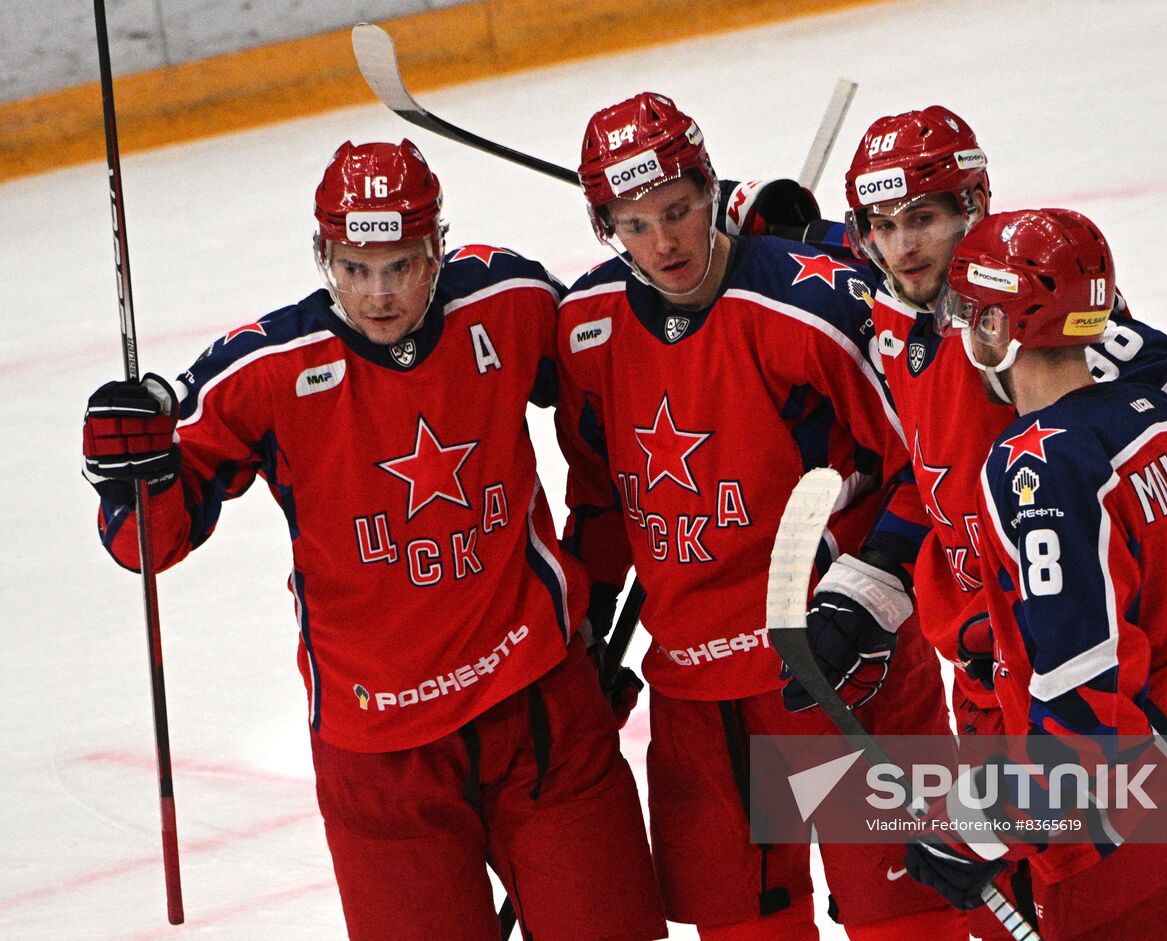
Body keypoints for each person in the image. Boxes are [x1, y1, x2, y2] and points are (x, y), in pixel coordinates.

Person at [80, 139, 666, 941]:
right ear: (325, 255)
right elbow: (148, 541)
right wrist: (129, 472)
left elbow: (629, 359)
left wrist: (736, 243)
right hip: (381, 754)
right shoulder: (268, 368)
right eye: (355, 267)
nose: (379, 292)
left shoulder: (506, 299)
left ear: (438, 248)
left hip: (540, 707)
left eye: (402, 264)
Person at [838, 105, 1167, 939]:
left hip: (1069, 692)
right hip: (996, 685)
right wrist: (756, 209)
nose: (905, 247)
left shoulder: (1026, 314)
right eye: (884, 226)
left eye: (926, 220)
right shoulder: (896, 297)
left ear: (972, 210)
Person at [554, 92, 962, 941]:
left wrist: (874, 587)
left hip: (844, 665)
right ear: (606, 227)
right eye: (635, 223)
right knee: (745, 928)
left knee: (909, 919)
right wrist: (587, 627)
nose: (664, 241)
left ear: (713, 188)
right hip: (701, 700)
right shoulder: (586, 331)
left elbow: (932, 464)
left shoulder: (817, 308)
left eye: (678, 210)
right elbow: (599, 499)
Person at [901, 208, 1167, 940]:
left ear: (1002, 329)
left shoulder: (1040, 462)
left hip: (1131, 827)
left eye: (970, 311)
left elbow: (1084, 688)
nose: (958, 327)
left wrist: (984, 823)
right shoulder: (1159, 413)